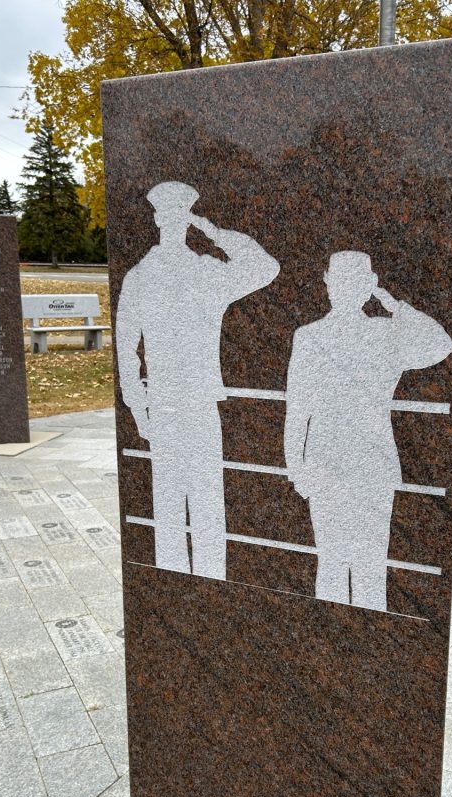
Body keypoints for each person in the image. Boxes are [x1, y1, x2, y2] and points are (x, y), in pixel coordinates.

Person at [116, 181, 280, 578]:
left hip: (201, 407)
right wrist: (139, 409)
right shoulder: (141, 277)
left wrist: (212, 230)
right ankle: (175, 584)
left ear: (187, 220)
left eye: (181, 216)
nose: (173, 222)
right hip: (167, 408)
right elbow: (126, 348)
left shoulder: (206, 272)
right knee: (171, 509)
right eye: (168, 215)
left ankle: (210, 583)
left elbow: (265, 268)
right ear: (157, 218)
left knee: (207, 506)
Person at [284, 250, 452, 612]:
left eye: (353, 282)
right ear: (329, 284)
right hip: (333, 466)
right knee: (344, 564)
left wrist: (392, 305)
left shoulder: (382, 335)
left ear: (365, 287)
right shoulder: (314, 337)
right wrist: (394, 305)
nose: (344, 289)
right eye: (341, 281)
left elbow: (442, 345)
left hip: (362, 466)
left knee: (357, 566)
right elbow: (297, 408)